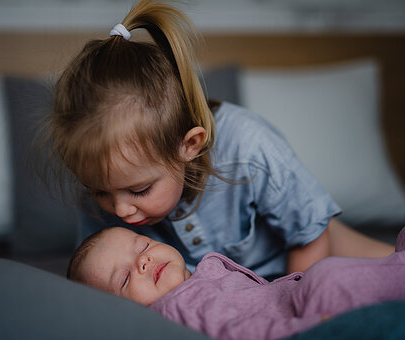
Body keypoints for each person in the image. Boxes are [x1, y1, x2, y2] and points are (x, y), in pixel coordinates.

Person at [43, 0, 394, 279]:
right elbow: (97, 283)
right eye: (99, 191)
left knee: (383, 270)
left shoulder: (250, 147)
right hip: (229, 290)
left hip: (300, 246)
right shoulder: (107, 180)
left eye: (139, 190)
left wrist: (289, 304)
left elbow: (310, 235)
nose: (119, 210)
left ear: (190, 145)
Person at [67, 226, 405, 340]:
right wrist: (310, 326)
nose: (143, 260)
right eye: (125, 278)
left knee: (336, 276)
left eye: (143, 244)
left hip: (298, 302)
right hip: (304, 319)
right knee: (330, 277)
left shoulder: (196, 281)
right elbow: (237, 333)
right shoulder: (177, 306)